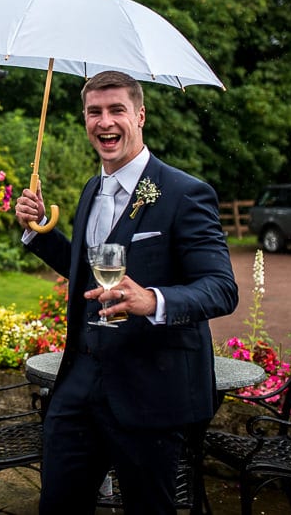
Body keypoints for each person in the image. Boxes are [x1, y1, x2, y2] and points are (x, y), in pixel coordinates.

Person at [14, 70, 238, 514]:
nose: (105, 121)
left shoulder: (185, 193)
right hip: (79, 382)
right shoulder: (91, 191)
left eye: (116, 109)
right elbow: (89, 276)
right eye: (94, 112)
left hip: (150, 388)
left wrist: (152, 300)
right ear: (84, 120)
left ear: (140, 115)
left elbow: (220, 288)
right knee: (57, 505)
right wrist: (38, 232)